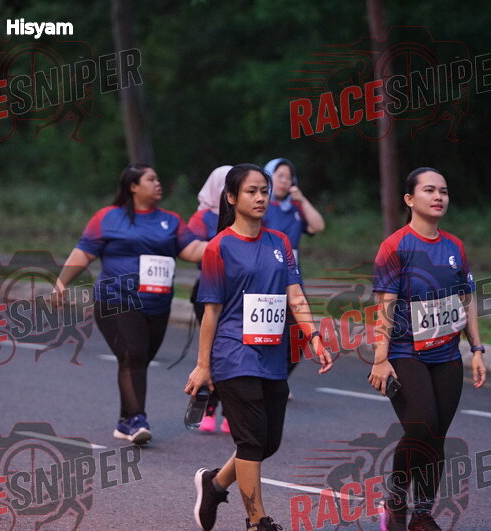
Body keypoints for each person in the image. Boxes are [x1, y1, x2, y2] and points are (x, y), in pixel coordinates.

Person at [185, 164, 333, 531]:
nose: (260, 197)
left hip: (272, 353)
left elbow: (295, 295)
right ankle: (256, 521)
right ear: (231, 197)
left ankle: (215, 484)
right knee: (251, 440)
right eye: (251, 191)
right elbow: (211, 311)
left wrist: (313, 336)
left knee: (268, 442)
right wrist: (203, 365)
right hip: (233, 353)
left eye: (264, 191)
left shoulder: (279, 242)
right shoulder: (219, 246)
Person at [367, 167, 486, 531]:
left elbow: (466, 301)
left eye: (443, 191)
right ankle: (396, 500)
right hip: (405, 353)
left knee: (435, 436)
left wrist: (477, 348)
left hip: (446, 355)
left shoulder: (454, 247)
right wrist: (380, 359)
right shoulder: (395, 246)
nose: (438, 197)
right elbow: (385, 307)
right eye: (430, 190)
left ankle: (421, 514)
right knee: (422, 427)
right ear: (410, 199)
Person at [53, 163, 206, 445]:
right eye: (151, 179)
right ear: (133, 186)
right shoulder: (107, 218)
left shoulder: (170, 220)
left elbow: (193, 249)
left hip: (157, 303)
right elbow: (84, 253)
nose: (158, 183)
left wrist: (225, 245)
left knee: (137, 360)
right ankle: (137, 419)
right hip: (116, 298)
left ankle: (125, 421)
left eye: (158, 178)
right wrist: (62, 282)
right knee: (134, 354)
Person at [262, 158, 326, 388]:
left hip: (292, 280)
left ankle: (278, 379)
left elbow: (318, 226)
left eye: (289, 178)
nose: (284, 181)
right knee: (266, 331)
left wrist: (302, 200)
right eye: (279, 175)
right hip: (266, 279)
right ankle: (264, 379)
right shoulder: (261, 207)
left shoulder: (295, 209)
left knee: (300, 332)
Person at [188, 165, 232, 434]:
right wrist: (226, 248)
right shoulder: (202, 217)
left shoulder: (248, 216)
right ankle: (206, 405)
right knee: (213, 350)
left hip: (239, 294)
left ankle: (231, 411)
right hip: (208, 290)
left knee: (235, 352)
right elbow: (189, 249)